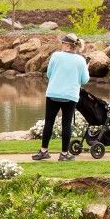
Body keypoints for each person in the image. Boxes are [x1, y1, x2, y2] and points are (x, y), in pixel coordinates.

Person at [32, 33, 90, 161]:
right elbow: (84, 80)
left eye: (62, 43)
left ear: (66, 44)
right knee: (66, 124)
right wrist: (86, 68)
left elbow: (49, 74)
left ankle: (43, 151)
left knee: (49, 122)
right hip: (70, 96)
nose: (61, 44)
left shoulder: (56, 56)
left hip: (53, 93)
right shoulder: (81, 60)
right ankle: (64, 154)